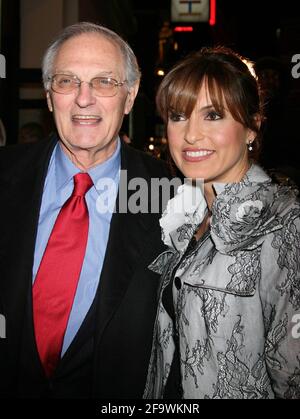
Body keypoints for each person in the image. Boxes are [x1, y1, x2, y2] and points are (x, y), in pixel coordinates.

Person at [0, 22, 171, 398]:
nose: (84, 98)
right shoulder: (4, 176)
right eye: (66, 81)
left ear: (130, 96)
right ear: (49, 96)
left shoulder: (172, 197)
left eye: (105, 82)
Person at [144, 46, 300, 399]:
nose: (191, 134)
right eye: (178, 116)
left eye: (213, 115)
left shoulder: (284, 225)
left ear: (251, 127)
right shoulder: (184, 220)